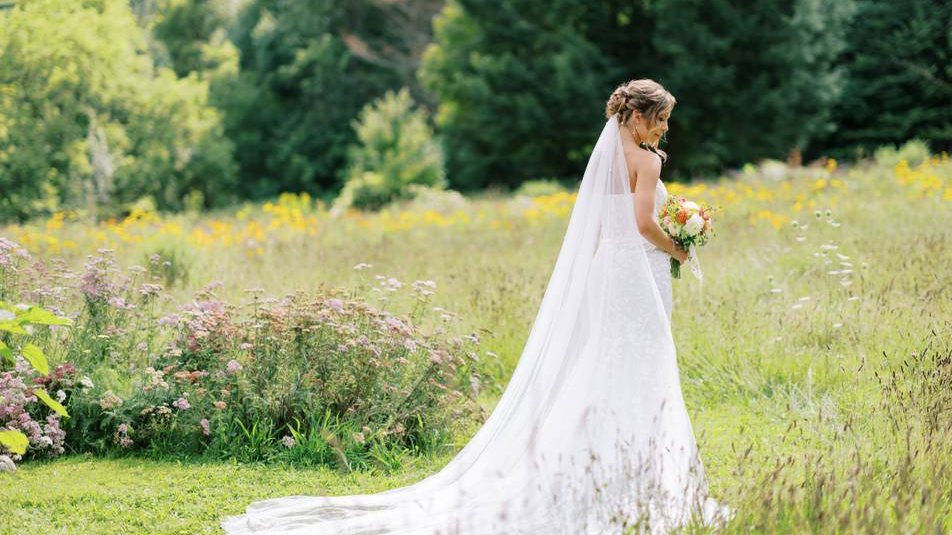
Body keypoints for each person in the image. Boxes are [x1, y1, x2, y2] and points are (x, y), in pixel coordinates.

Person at [221, 78, 731, 534]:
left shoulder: (606, 162)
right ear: (639, 115)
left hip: (609, 273)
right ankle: (634, 483)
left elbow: (602, 231)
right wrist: (679, 245)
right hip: (634, 277)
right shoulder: (645, 160)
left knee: (608, 367)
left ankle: (601, 472)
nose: (664, 130)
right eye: (660, 119)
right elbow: (644, 225)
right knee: (642, 367)